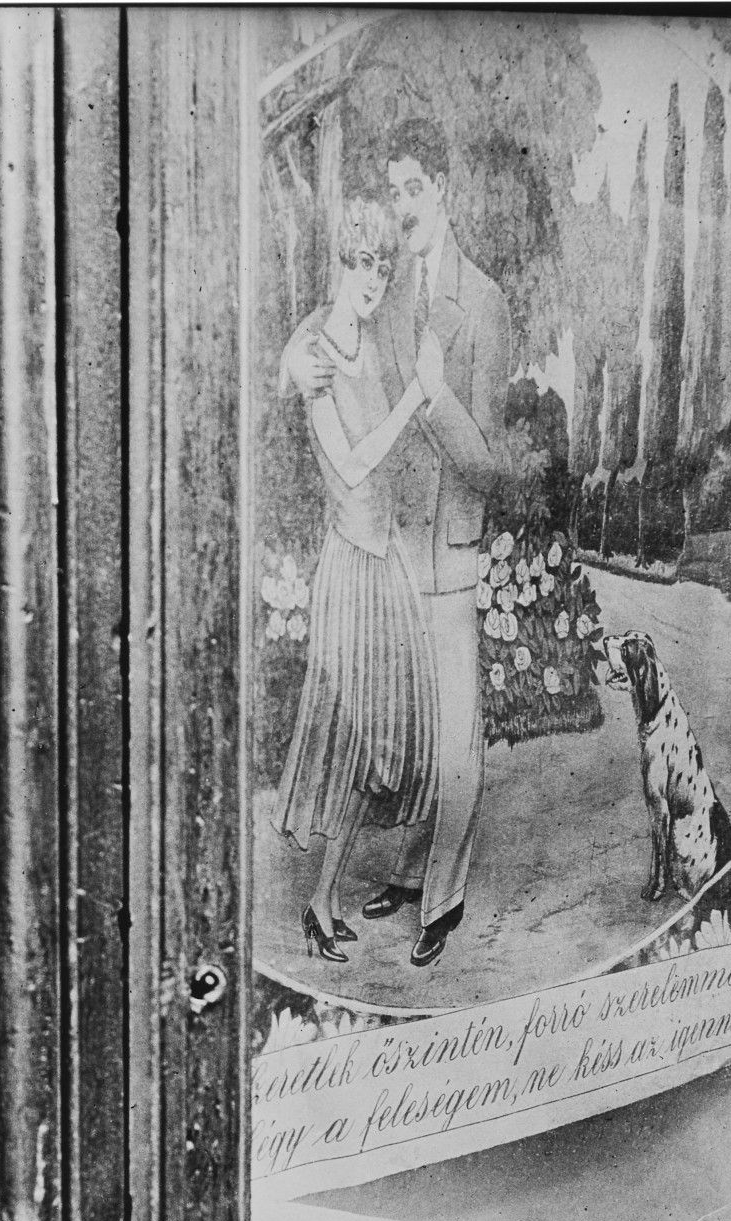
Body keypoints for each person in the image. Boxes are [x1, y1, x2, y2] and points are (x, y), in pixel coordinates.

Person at [286, 119, 511, 967]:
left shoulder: (480, 302)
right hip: (384, 554)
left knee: (452, 735)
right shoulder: (384, 283)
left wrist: (431, 397)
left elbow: (488, 466)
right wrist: (288, 366)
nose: (402, 206)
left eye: (415, 187)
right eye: (393, 190)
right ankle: (413, 873)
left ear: (444, 187)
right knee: (404, 730)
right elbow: (330, 328)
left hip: (447, 550)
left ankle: (442, 902)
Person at [272, 195, 442, 966]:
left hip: (388, 562)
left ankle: (320, 902)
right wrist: (414, 399)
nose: (373, 278)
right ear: (339, 263)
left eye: (382, 264)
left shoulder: (371, 340)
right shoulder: (311, 350)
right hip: (348, 566)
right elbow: (346, 464)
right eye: (361, 262)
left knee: (393, 744)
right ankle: (317, 904)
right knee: (355, 743)